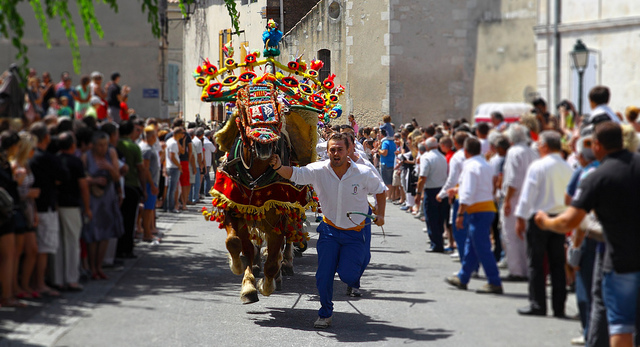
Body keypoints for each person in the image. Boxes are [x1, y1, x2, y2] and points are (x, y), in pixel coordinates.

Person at [534, 122, 640, 347]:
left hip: (621, 261)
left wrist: (545, 221)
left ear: (597, 145)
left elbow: (568, 221)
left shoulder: (597, 176)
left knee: (621, 325)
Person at [269, 133, 386, 329]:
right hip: (330, 231)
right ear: (328, 151)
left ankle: (352, 265)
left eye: (340, 149)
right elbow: (296, 174)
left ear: (349, 151)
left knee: (349, 277)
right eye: (332, 149)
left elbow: (381, 190)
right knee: (323, 276)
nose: (336, 153)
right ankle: (325, 313)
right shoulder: (319, 170)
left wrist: (380, 214)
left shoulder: (364, 172)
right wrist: (279, 167)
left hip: (355, 233)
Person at [514, 130, 573, 318]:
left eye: (540, 144)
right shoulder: (567, 167)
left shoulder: (538, 166)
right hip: (559, 218)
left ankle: (538, 304)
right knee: (558, 264)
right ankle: (559, 307)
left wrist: (520, 218)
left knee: (536, 263)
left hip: (539, 218)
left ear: (545, 146)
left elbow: (527, 195)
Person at [445, 137, 503, 294]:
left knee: (482, 247)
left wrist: (460, 213)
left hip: (477, 210)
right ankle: (463, 277)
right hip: (487, 207)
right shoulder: (486, 165)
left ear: (465, 151)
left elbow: (468, 192)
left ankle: (494, 281)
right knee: (472, 244)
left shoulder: (470, 167)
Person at [29, 122, 68, 297]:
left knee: (33, 249)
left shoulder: (28, 156)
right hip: (45, 206)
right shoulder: (47, 158)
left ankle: (32, 283)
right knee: (43, 247)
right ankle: (39, 283)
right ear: (45, 137)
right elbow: (62, 178)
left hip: (31, 207)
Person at [83, 131, 124, 280]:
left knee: (106, 233)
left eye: (105, 145)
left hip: (107, 198)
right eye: (100, 145)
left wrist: (110, 167)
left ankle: (99, 267)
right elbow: (81, 178)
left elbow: (116, 176)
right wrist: (93, 181)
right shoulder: (86, 157)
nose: (103, 148)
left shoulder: (111, 154)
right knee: (93, 234)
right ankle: (92, 267)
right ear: (93, 145)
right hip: (93, 199)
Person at [501, 124, 538, 281]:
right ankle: (527, 269)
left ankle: (517, 270)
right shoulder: (533, 151)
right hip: (530, 197)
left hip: (515, 197)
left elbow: (512, 179)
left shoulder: (514, 152)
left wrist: (507, 200)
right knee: (525, 235)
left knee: (510, 235)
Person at [54, 131, 90, 291]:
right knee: (72, 242)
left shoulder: (54, 159)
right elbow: (83, 186)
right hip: (71, 205)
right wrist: (87, 208)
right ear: (73, 145)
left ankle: (58, 279)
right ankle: (72, 279)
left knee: (59, 243)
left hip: (54, 205)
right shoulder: (76, 162)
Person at [0, 130, 25, 307]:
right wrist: (18, 182)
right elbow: (10, 188)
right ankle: (7, 296)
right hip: (4, 212)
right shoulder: (5, 164)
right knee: (8, 256)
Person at [115, 121, 146, 259]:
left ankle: (116, 249)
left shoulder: (115, 145)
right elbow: (140, 169)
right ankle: (127, 249)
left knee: (118, 217)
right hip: (131, 185)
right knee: (129, 220)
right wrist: (144, 189)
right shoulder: (133, 146)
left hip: (116, 186)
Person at [415, 137, 448, 252]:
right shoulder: (442, 157)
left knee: (431, 218)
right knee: (440, 217)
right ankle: (439, 240)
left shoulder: (426, 157)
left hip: (431, 190)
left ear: (427, 147)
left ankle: (436, 243)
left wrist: (418, 193)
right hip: (442, 190)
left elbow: (422, 177)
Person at [139, 125, 160, 243]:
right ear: (151, 137)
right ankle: (146, 233)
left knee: (150, 209)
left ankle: (148, 232)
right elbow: (145, 168)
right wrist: (152, 185)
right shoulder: (146, 149)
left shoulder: (150, 148)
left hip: (151, 182)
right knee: (147, 210)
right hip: (149, 183)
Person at [163, 127, 184, 213]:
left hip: (170, 166)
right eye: (182, 133)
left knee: (171, 188)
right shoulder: (173, 143)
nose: (183, 135)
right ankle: (170, 207)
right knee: (172, 188)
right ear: (178, 134)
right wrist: (179, 166)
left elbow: (180, 152)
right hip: (173, 167)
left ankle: (168, 206)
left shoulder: (171, 142)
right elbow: (172, 156)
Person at [377, 129, 396, 199]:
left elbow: (385, 153)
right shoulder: (392, 142)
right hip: (392, 163)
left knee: (387, 181)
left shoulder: (385, 143)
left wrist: (378, 150)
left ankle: (388, 196)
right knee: (391, 181)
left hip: (386, 164)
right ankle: (391, 196)